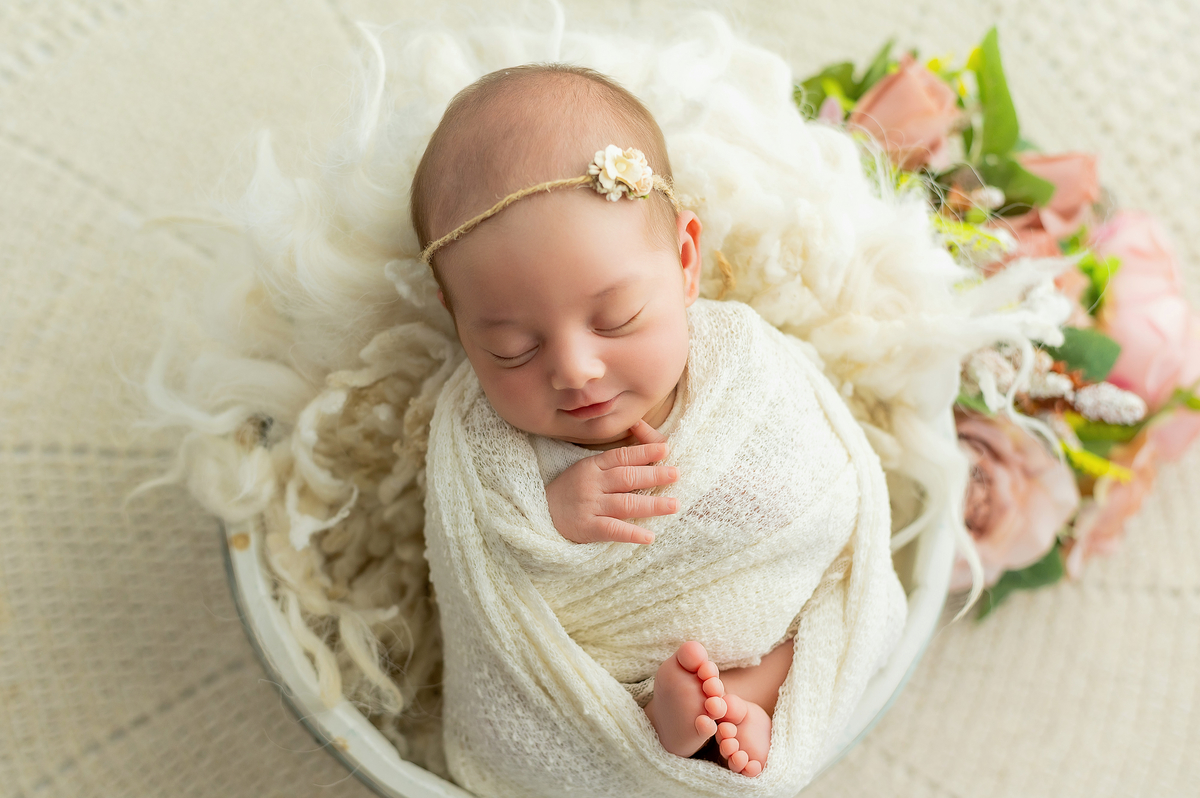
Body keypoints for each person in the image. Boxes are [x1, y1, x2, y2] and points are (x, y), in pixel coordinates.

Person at [413, 62, 903, 790]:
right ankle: (665, 726)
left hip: (760, 626)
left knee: (828, 624)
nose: (574, 369)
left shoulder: (742, 366)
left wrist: (747, 509)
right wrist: (548, 520)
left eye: (618, 319)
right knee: (591, 690)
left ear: (684, 261)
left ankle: (744, 704)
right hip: (595, 672)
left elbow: (821, 499)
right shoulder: (478, 431)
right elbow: (475, 562)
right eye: (511, 348)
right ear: (460, 328)